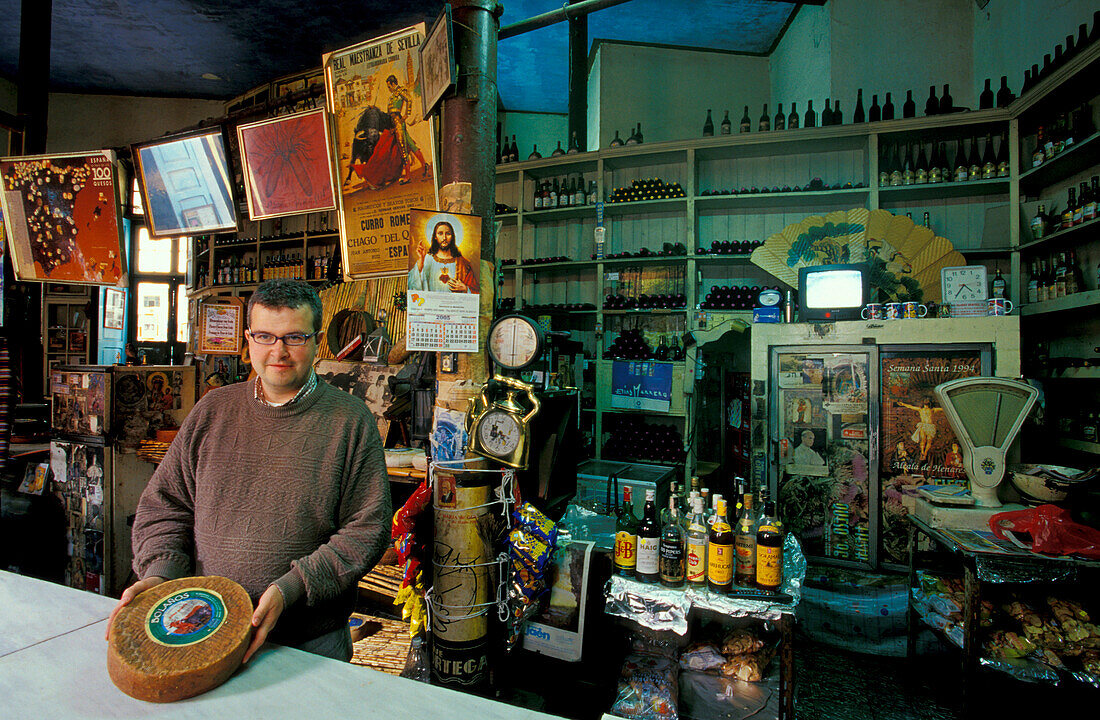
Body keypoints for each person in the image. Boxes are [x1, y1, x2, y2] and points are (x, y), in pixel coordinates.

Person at [106, 279, 391, 664]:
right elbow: (165, 505)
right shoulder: (212, 411)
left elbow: (366, 530)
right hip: (205, 633)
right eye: (265, 336)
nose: (279, 351)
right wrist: (161, 573)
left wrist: (292, 589)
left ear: (317, 341)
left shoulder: (350, 420)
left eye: (294, 337)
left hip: (308, 643)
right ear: (248, 340)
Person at [408, 220, 478, 293]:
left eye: (448, 234)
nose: (444, 238)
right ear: (435, 236)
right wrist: (421, 261)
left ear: (452, 237)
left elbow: (475, 292)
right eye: (440, 233)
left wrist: (465, 289)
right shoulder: (427, 259)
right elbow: (412, 285)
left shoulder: (463, 264)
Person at [385, 74, 430, 184]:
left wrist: (406, 115)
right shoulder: (392, 95)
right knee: (410, 144)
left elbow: (409, 99)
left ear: (392, 83)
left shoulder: (400, 91)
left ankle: (408, 176)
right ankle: (424, 165)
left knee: (403, 148)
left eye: (389, 85)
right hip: (394, 123)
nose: (388, 88)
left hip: (399, 122)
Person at [897, 398, 945, 463]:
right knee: (924, 440)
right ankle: (923, 452)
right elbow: (911, 407)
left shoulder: (931, 410)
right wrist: (903, 404)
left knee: (928, 440)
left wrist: (903, 404)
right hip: (924, 425)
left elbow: (943, 408)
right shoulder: (922, 409)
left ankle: (924, 453)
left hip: (929, 426)